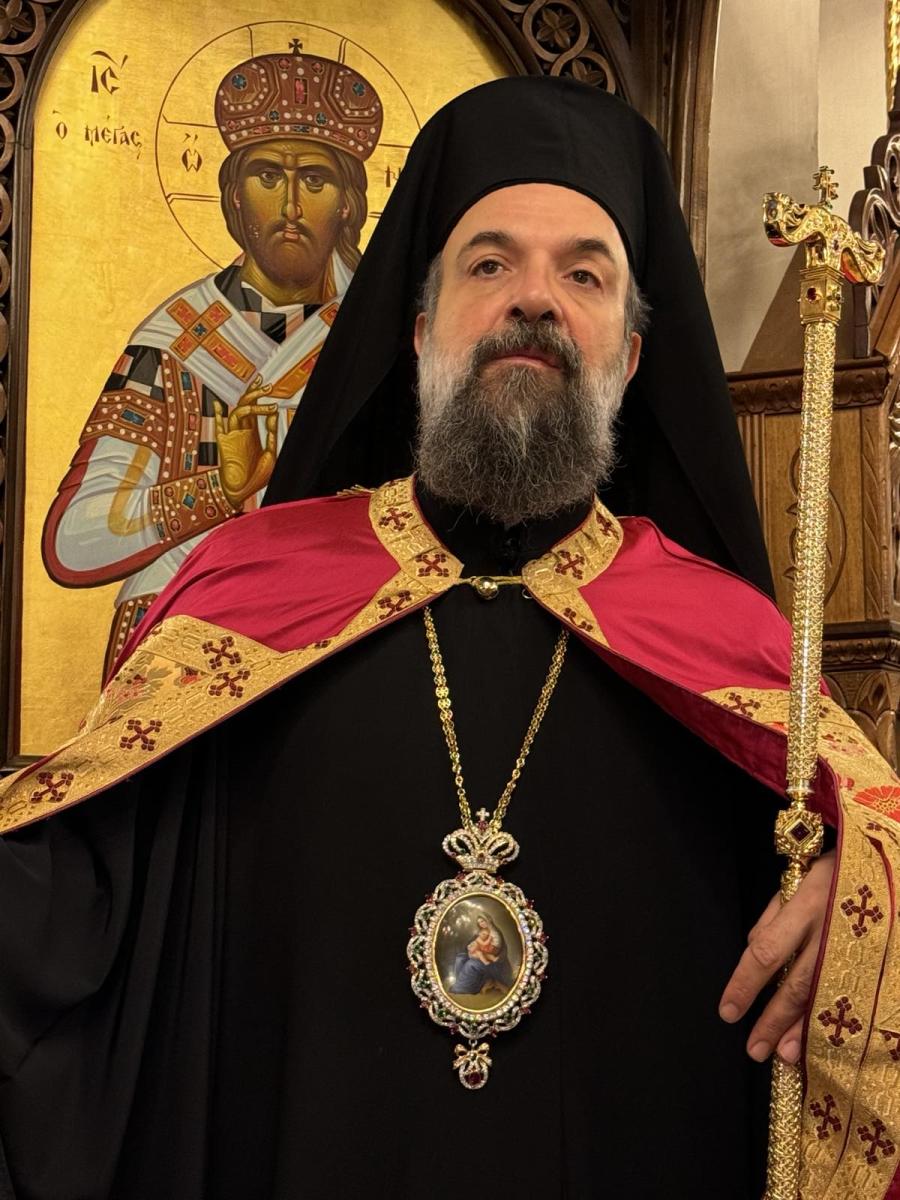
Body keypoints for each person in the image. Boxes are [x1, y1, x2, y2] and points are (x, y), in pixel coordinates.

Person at [1, 77, 897, 1199]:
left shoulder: (725, 634)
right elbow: (65, 910)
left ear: (628, 357)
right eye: (489, 264)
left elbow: (878, 844)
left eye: (584, 274)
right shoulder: (250, 591)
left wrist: (868, 896)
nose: (536, 300)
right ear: (420, 329)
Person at [41, 46, 383, 675]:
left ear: (347, 203)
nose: (289, 206)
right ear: (234, 196)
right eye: (267, 177)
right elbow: (75, 539)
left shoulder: (380, 342)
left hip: (338, 642)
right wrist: (218, 490)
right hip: (184, 645)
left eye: (314, 180)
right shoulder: (173, 343)